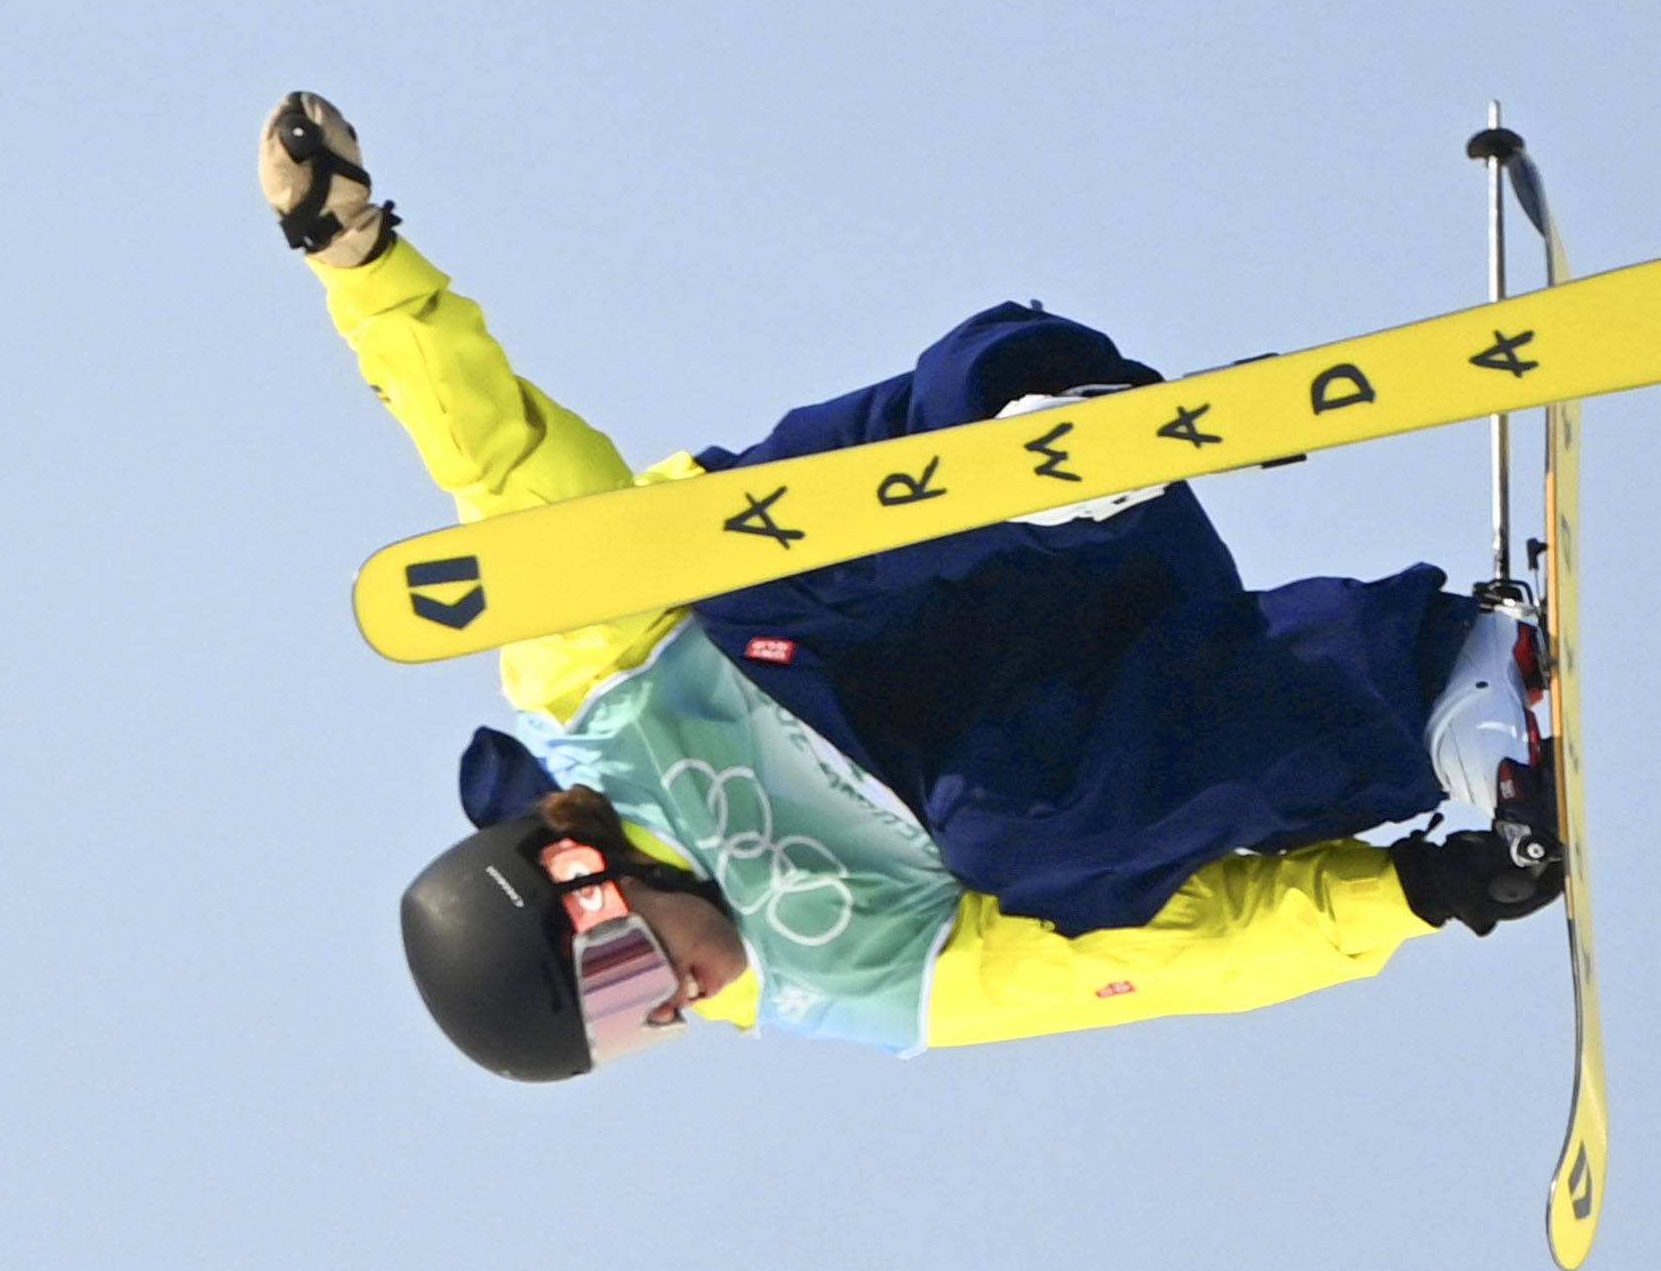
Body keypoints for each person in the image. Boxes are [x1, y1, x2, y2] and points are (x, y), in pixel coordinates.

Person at [261, 94, 1568, 1079]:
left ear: (579, 870)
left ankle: (1033, 440)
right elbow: (1131, 967)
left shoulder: (592, 689)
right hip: (1119, 656)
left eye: (615, 979)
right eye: (632, 1031)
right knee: (1023, 848)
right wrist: (1406, 897)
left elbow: (502, 463)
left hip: (961, 500)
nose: (669, 1005)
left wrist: (357, 265)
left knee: (738, 588)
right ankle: (1438, 683)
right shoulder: (834, 973)